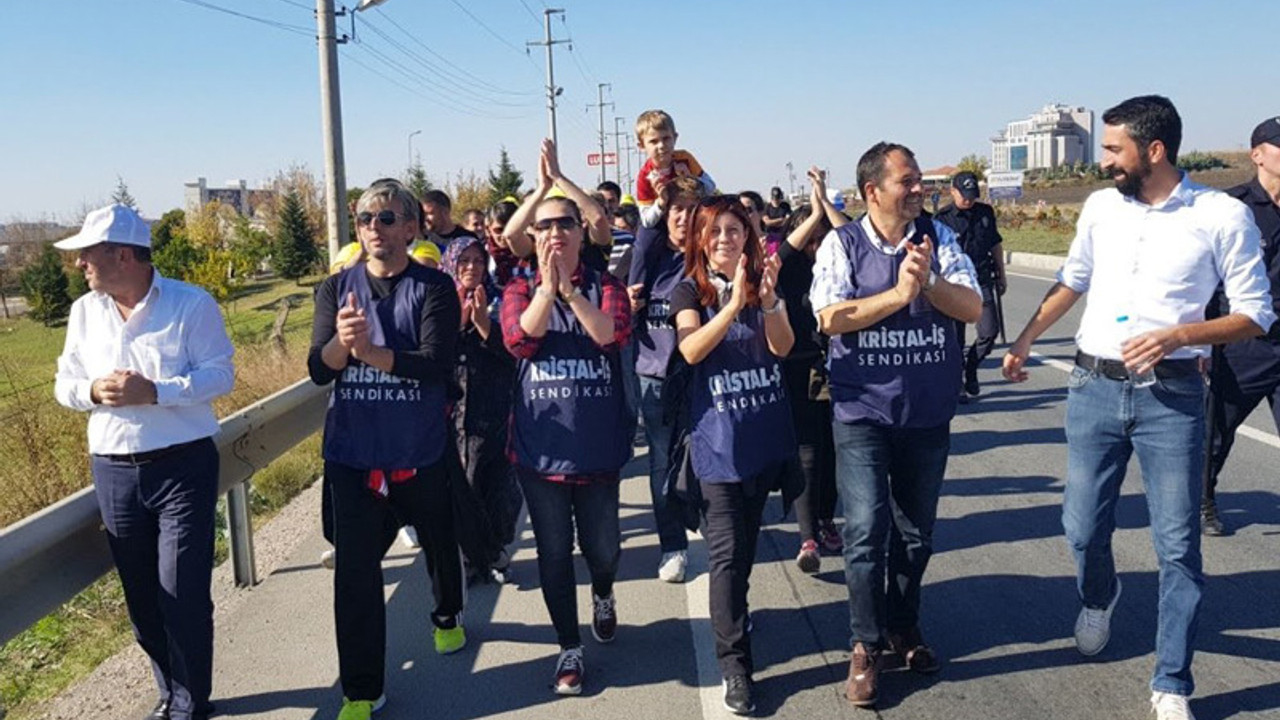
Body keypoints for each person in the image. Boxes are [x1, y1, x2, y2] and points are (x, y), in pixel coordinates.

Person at [1001, 96, 1274, 720]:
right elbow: (1074, 278)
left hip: (1172, 397)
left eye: (1112, 150)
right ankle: (1100, 594)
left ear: (1154, 151)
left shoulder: (1221, 216)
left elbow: (1256, 313)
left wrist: (1179, 336)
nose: (1103, 162)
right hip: (1092, 388)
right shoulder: (1100, 207)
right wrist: (1024, 339)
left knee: (1177, 546)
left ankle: (1172, 680)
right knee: (1080, 527)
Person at [811, 141, 981, 707]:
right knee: (864, 534)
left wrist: (929, 284)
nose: (918, 190)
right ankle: (866, 644)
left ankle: (904, 626)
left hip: (927, 416)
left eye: (918, 181)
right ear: (872, 191)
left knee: (916, 535)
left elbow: (973, 307)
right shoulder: (842, 244)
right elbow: (831, 317)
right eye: (906, 181)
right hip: (863, 414)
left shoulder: (941, 239)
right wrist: (899, 294)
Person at [54, 203, 235, 720]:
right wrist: (91, 389)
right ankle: (170, 689)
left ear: (124, 254)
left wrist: (155, 391)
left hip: (183, 466)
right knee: (142, 600)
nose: (80, 264)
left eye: (88, 254)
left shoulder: (189, 304)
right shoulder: (84, 311)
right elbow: (63, 384)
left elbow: (221, 374)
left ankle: (188, 703)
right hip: (113, 467)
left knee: (182, 591)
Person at [308, 180, 466, 720]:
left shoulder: (435, 288)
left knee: (440, 541)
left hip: (418, 450)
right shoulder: (335, 290)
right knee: (354, 571)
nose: (375, 227)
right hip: (353, 453)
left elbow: (436, 365)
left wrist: (371, 353)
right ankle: (362, 688)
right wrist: (339, 347)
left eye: (388, 217)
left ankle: (446, 615)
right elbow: (316, 369)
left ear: (411, 227)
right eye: (366, 219)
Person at [501, 187, 633, 696]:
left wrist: (571, 294)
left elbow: (608, 336)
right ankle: (568, 646)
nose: (556, 233)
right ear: (533, 236)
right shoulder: (516, 289)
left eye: (566, 224)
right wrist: (545, 289)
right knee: (553, 552)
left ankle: (603, 592)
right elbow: (520, 339)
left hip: (598, 449)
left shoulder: (606, 286)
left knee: (603, 549)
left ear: (582, 233)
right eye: (546, 225)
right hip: (540, 453)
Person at [669, 196, 797, 715]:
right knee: (724, 554)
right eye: (714, 231)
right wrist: (729, 304)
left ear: (749, 236)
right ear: (701, 240)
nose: (725, 238)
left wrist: (766, 302)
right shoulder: (688, 291)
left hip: (761, 442)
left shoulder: (766, 286)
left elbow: (783, 348)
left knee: (743, 551)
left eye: (735, 229)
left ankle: (734, 614)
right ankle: (734, 665)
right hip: (715, 448)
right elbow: (691, 348)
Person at [1202, 116, 1280, 536]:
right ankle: (1203, 500)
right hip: (1241, 343)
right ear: (1257, 155)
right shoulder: (1233, 208)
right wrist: (1202, 342)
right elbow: (1205, 279)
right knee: (1215, 434)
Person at [628, 176, 706, 583]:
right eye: (676, 210)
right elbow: (642, 237)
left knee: (706, 455)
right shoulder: (651, 256)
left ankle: (713, 529)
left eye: (691, 211)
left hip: (699, 373)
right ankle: (672, 546)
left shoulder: (707, 258)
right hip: (655, 374)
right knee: (662, 461)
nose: (683, 218)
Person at [440, 236, 522, 580]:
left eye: (477, 260)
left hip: (494, 407)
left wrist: (484, 324)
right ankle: (477, 556)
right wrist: (459, 322)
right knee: (464, 486)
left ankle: (494, 547)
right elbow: (432, 352)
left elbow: (515, 350)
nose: (471, 268)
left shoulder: (501, 298)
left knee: (497, 485)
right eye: (464, 261)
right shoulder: (440, 301)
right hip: (453, 410)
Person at [780, 168, 849, 572]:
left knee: (834, 452)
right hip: (796, 370)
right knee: (807, 452)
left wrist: (826, 206)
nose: (819, 243)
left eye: (824, 236)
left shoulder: (840, 264)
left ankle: (826, 518)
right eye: (812, 237)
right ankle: (808, 537)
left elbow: (856, 239)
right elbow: (785, 251)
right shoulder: (787, 270)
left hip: (838, 368)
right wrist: (812, 213)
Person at [935, 170, 1006, 400]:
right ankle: (959, 384)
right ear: (952, 191)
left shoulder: (985, 212)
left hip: (982, 279)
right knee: (955, 340)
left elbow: (995, 243)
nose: (968, 199)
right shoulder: (942, 219)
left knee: (989, 332)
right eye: (964, 194)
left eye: (972, 195)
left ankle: (971, 366)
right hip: (954, 285)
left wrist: (1001, 274)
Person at [634, 109, 716, 227]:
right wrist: (661, 202)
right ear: (642, 146)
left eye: (666, 138)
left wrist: (691, 179)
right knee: (646, 243)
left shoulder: (685, 159)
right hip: (662, 222)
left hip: (691, 216)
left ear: (675, 138)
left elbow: (711, 187)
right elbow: (647, 221)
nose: (661, 146)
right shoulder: (645, 175)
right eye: (654, 141)